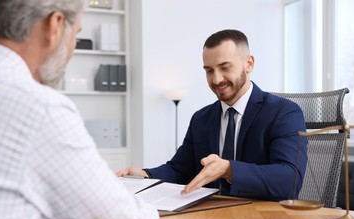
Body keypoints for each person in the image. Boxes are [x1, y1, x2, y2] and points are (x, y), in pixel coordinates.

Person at [0, 0, 159, 219]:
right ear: (55, 25)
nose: (72, 47)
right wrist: (150, 209)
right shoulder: (40, 108)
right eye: (77, 33)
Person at [117, 29, 308, 202]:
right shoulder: (201, 118)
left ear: (249, 63)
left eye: (225, 67)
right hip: (210, 218)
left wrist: (228, 169)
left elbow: (289, 182)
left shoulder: (284, 113)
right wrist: (145, 175)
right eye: (209, 71)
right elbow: (179, 170)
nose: (216, 79)